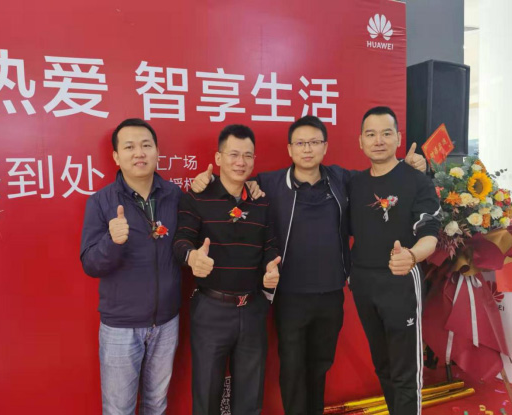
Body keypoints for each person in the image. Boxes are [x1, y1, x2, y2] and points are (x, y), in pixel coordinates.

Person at [191, 115, 427, 415]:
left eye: (314, 142)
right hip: (289, 295)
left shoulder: (343, 179)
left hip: (331, 293)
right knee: (292, 368)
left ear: (325, 147)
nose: (307, 149)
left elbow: (380, 176)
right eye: (300, 143)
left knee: (319, 367)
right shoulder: (270, 183)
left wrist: (410, 166)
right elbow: (234, 181)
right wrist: (207, 180)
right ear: (289, 149)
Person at [172, 124, 281, 415]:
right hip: (211, 309)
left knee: (250, 398)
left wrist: (272, 267)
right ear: (218, 158)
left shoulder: (261, 201)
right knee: (207, 395)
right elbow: (180, 241)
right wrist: (192, 257)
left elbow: (270, 246)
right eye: (233, 154)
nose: (240, 162)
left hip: (253, 308)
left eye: (247, 155)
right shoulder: (196, 197)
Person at [80, 118, 182, 415]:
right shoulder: (101, 202)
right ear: (116, 156)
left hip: (167, 322)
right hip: (121, 326)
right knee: (118, 409)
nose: (139, 153)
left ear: (157, 151)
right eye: (129, 147)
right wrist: (112, 241)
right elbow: (90, 264)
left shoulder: (174, 196)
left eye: (146, 145)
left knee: (157, 405)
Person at [349, 106, 440, 415]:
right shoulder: (354, 184)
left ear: (398, 138)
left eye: (386, 133)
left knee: (405, 370)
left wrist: (412, 255)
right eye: (371, 134)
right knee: (383, 365)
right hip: (364, 283)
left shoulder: (417, 181)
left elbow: (430, 234)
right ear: (360, 141)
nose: (379, 141)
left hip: (401, 282)